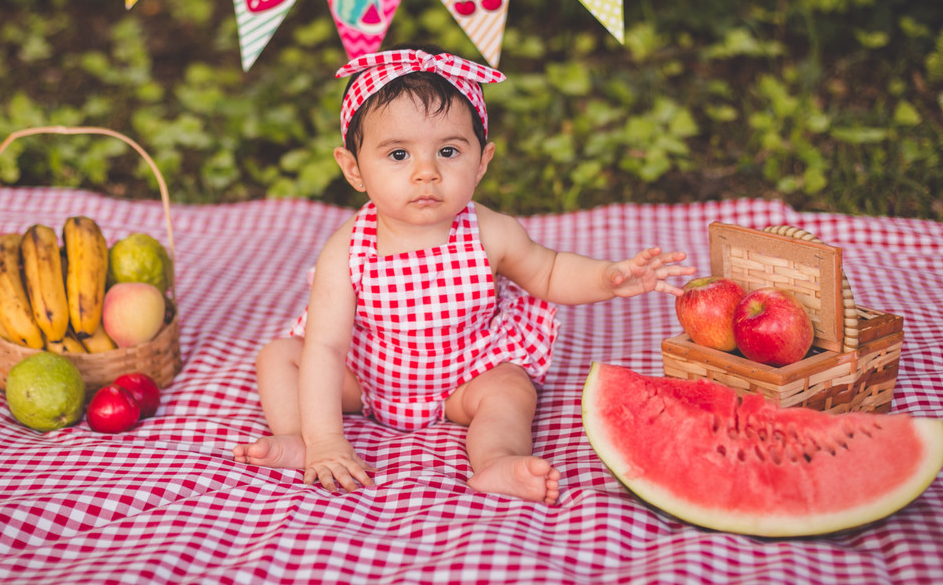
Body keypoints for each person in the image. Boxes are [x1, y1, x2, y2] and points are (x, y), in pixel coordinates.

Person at [233, 45, 694, 505]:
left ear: (482, 161)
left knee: (510, 388)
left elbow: (550, 272)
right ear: (354, 169)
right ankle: (301, 437)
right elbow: (327, 346)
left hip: (465, 378)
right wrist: (326, 437)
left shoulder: (492, 232)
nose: (426, 173)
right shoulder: (346, 249)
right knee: (279, 357)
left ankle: (497, 460)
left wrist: (608, 278)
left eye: (449, 151)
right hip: (366, 378)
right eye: (398, 155)